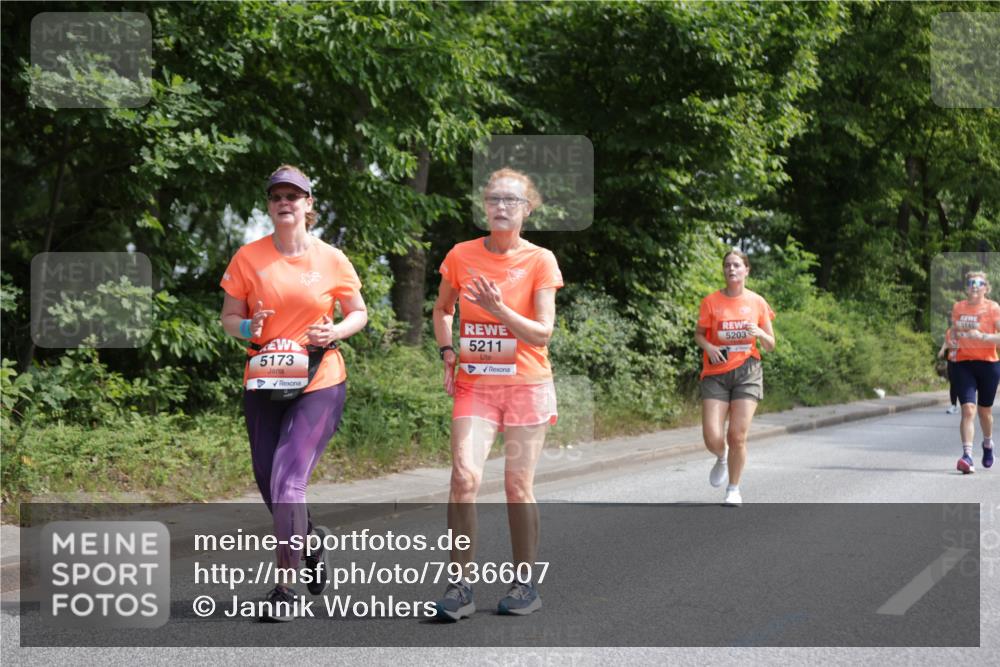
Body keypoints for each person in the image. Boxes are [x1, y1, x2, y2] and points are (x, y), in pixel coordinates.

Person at [219, 165, 368, 621]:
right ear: (270, 205)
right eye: (277, 196)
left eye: (294, 195)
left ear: (308, 205)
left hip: (319, 378)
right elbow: (228, 318)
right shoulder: (248, 258)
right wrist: (250, 326)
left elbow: (359, 312)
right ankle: (310, 540)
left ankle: (286, 587)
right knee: (269, 482)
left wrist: (335, 330)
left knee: (288, 479)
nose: (285, 202)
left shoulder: (332, 258)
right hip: (264, 379)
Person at [430, 168, 563, 620]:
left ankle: (524, 584)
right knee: (464, 477)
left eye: (512, 199)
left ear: (528, 209)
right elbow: (442, 310)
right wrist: (448, 350)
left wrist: (498, 308)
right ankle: (460, 586)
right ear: (484, 206)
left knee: (515, 485)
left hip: (527, 386)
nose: (501, 206)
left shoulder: (541, 260)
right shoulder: (461, 256)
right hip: (476, 387)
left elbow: (543, 334)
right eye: (494, 198)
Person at [694, 249, 776, 507]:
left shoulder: (757, 302)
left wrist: (760, 333)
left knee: (737, 435)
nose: (732, 269)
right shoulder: (711, 301)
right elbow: (699, 334)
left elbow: (771, 344)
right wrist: (709, 347)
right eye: (728, 265)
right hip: (716, 372)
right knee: (712, 436)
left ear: (746, 270)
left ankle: (733, 488)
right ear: (724, 270)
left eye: (737, 265)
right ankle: (721, 456)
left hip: (747, 372)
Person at [949, 271, 999, 474]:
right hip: (963, 363)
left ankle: (988, 444)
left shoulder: (993, 308)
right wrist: (952, 340)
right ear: (966, 287)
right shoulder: (958, 307)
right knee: (968, 409)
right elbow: (954, 331)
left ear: (986, 288)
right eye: (971, 283)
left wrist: (984, 337)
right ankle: (967, 456)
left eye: (979, 283)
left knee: (984, 412)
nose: (975, 286)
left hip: (988, 363)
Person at [937, 325, 960, 414]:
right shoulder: (950, 331)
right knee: (953, 383)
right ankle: (953, 405)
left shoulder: (966, 330)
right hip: (952, 360)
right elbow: (946, 342)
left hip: (963, 361)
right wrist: (942, 350)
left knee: (962, 383)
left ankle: (966, 405)